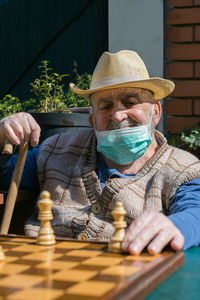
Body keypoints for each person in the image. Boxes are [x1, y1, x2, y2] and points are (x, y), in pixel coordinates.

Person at [0, 50, 200, 255]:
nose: (118, 114)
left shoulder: (182, 168)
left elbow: (196, 212)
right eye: (105, 106)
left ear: (156, 112)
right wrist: (2, 136)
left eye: (131, 102)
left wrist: (175, 225)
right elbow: (5, 175)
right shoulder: (56, 150)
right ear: (92, 120)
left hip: (128, 281)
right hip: (42, 274)